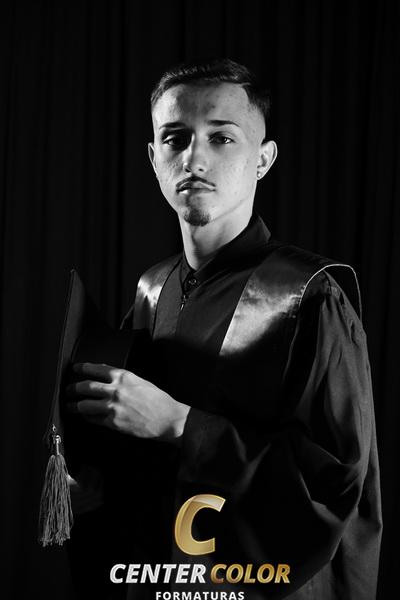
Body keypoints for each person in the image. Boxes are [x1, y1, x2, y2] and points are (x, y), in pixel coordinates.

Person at [66, 58, 382, 600]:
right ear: (153, 158)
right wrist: (96, 483)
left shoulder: (308, 296)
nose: (194, 158)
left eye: (222, 137)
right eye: (175, 137)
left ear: (263, 159)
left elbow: (334, 487)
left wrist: (183, 425)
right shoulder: (152, 290)